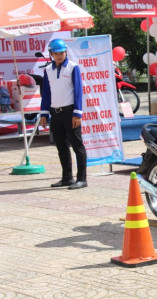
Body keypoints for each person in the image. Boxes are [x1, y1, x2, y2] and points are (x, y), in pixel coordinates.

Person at [39, 39, 87, 190]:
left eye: (62, 53)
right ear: (51, 54)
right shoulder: (47, 70)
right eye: (56, 53)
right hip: (55, 113)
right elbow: (46, 93)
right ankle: (67, 177)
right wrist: (44, 113)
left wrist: (77, 113)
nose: (59, 56)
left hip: (70, 112)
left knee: (77, 145)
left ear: (66, 52)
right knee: (61, 146)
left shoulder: (73, 67)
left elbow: (78, 91)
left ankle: (82, 179)